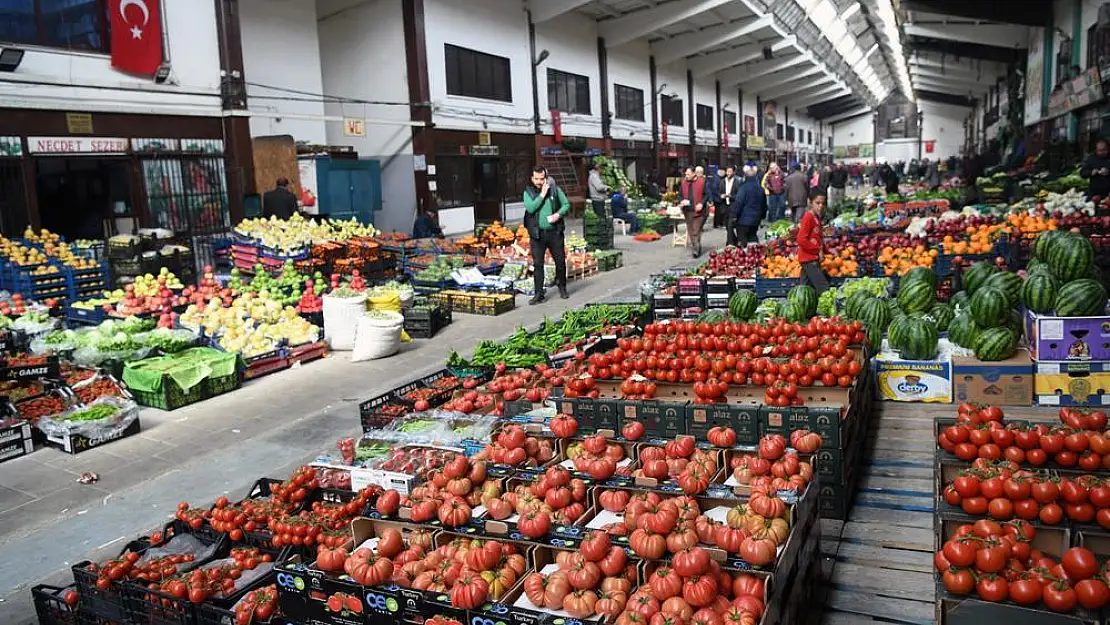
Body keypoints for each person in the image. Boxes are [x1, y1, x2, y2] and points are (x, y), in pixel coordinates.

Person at [523, 166, 569, 304]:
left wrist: (558, 214)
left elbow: (566, 204)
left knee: (560, 261)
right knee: (538, 264)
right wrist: (542, 195)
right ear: (532, 178)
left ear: (546, 178)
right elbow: (531, 208)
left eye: (541, 179)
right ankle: (539, 293)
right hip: (537, 234)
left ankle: (562, 286)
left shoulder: (555, 189)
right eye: (536, 179)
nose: (539, 181)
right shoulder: (528, 192)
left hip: (554, 232)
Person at [796, 192, 829, 295]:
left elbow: (818, 237)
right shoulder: (808, 217)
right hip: (808, 259)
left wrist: (826, 250)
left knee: (805, 289)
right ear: (810, 203)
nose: (820, 206)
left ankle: (802, 307)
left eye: (823, 203)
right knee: (823, 288)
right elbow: (801, 239)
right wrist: (818, 250)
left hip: (811, 259)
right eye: (817, 203)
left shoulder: (817, 218)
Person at [733, 163, 764, 246]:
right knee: (753, 238)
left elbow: (738, 203)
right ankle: (755, 255)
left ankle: (744, 256)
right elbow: (764, 204)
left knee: (742, 241)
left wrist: (734, 215)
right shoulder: (760, 189)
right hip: (756, 219)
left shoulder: (743, 188)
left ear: (745, 177)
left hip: (743, 220)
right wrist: (762, 216)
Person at [678, 166, 706, 258]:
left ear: (694, 174)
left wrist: (701, 203)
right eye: (685, 174)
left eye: (688, 174)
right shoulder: (683, 182)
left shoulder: (702, 182)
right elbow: (680, 195)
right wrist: (681, 201)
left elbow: (707, 195)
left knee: (696, 231)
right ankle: (697, 246)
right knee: (691, 231)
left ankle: (696, 250)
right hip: (687, 211)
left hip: (698, 211)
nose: (686, 175)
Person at [720, 165, 741, 246]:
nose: (728, 173)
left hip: (733, 206)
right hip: (724, 206)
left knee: (730, 225)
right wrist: (721, 196)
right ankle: (735, 240)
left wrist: (731, 196)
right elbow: (720, 192)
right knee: (726, 225)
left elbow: (739, 195)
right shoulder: (722, 181)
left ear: (734, 172)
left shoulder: (737, 182)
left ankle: (730, 243)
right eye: (727, 171)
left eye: (730, 172)